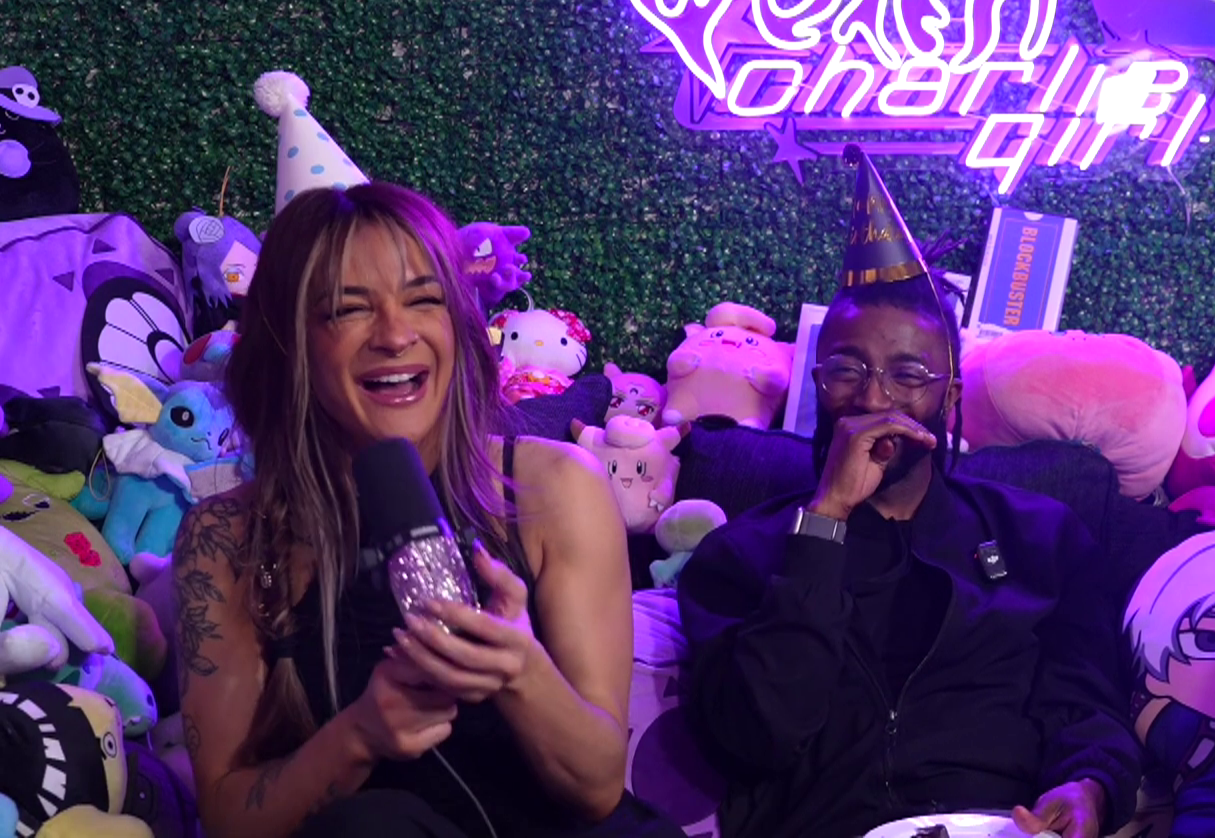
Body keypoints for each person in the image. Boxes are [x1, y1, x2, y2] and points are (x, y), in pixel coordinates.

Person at [171, 182, 685, 838]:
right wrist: (360, 735)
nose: (395, 334)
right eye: (347, 309)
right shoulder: (226, 538)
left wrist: (520, 671)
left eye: (423, 299)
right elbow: (227, 817)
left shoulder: (555, 488)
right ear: (290, 343)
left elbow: (597, 787)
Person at [676, 149, 1140, 838]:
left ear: (948, 397)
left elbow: (1087, 702)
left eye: (907, 375)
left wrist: (1092, 785)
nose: (873, 399)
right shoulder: (740, 555)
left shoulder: (1040, 537)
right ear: (816, 383)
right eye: (847, 370)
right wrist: (824, 523)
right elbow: (755, 738)